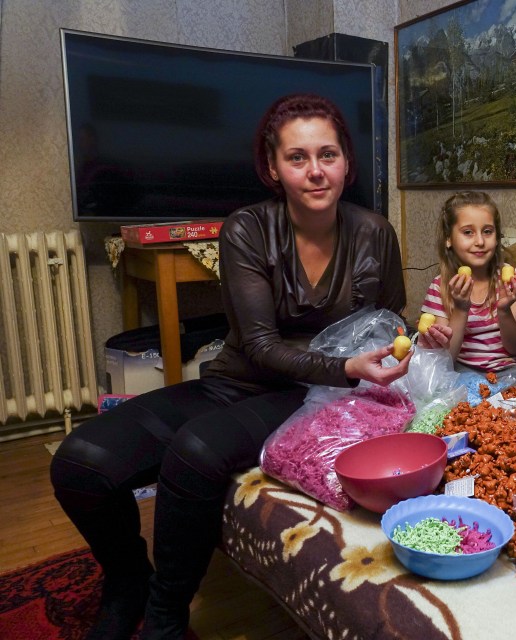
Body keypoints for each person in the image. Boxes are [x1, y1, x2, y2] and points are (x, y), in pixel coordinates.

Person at [49, 94, 410, 640]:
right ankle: (128, 582)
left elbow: (389, 320)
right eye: (297, 157)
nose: (316, 171)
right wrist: (349, 368)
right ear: (272, 168)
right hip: (241, 380)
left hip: (314, 398)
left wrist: (406, 343)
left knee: (195, 452)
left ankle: (166, 612)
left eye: (328, 154)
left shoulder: (375, 233)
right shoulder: (246, 229)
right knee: (81, 462)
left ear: (347, 163)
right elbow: (260, 345)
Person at [417, 191, 516, 381]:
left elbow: (515, 347)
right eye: (468, 232)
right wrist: (461, 308)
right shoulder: (440, 287)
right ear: (449, 239)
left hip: (507, 374)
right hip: (461, 373)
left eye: (487, 231)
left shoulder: (512, 278)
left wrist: (504, 310)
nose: (479, 242)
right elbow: (448, 360)